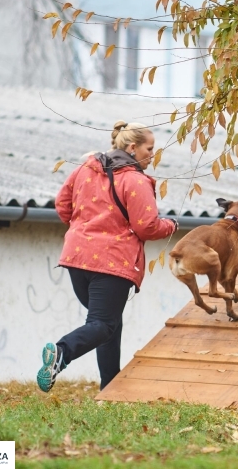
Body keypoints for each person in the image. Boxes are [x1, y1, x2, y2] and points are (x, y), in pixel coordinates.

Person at [37, 120, 178, 392]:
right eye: (150, 149)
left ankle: (110, 386)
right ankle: (61, 351)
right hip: (112, 263)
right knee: (102, 324)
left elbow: (62, 204)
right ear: (133, 148)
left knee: (108, 323)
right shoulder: (135, 180)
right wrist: (172, 225)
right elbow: (146, 226)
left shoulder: (86, 169)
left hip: (77, 259)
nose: (153, 155)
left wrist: (83, 230)